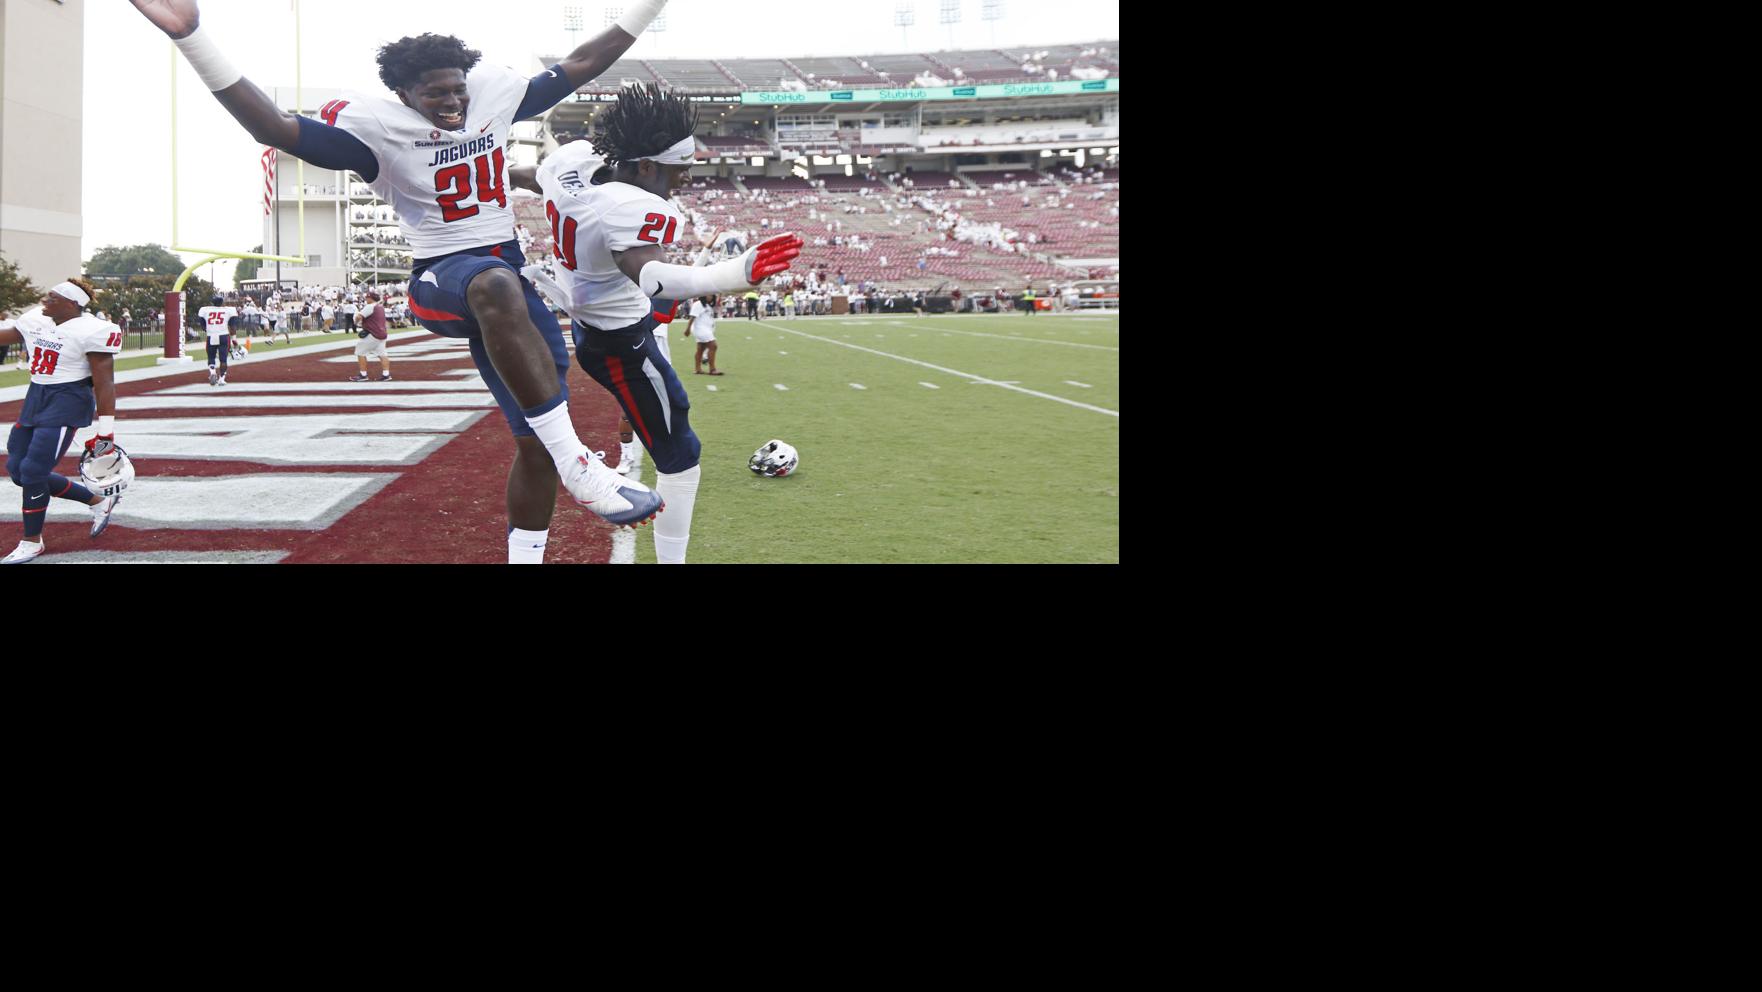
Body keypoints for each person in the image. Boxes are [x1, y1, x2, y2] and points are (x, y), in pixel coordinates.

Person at [131, 0, 671, 557]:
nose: (453, 100)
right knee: (495, 287)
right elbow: (273, 127)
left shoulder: (490, 99)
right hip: (442, 276)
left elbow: (585, 61)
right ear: (404, 96)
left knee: (536, 438)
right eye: (435, 92)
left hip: (505, 277)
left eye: (457, 88)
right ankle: (581, 466)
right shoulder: (379, 132)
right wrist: (193, 38)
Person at [509, 85, 800, 564]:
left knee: (671, 436)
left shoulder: (574, 161)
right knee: (681, 455)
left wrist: (494, 177)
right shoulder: (636, 207)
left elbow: (534, 176)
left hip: (590, 323)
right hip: (621, 343)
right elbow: (650, 275)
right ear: (645, 166)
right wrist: (732, 275)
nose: (681, 181)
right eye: (676, 171)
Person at [0, 279, 127, 563]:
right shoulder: (37, 318)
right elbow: (8, 335)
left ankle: (31, 541)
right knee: (18, 471)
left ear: (72, 304)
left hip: (67, 399)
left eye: (52, 297)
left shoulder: (92, 330)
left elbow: (104, 383)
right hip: (37, 395)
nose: (45, 300)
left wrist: (105, 432)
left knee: (33, 470)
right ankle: (97, 500)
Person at [197, 292, 238, 386]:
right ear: (222, 302)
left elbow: (203, 326)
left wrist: (210, 329)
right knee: (223, 360)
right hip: (224, 336)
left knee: (211, 357)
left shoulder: (205, 310)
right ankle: (222, 379)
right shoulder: (229, 310)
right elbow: (233, 327)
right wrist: (234, 339)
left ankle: (212, 373)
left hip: (211, 336)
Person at [350, 291, 391, 381]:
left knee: (360, 352)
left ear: (370, 298)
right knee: (382, 354)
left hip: (372, 333)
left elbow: (359, 317)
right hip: (382, 333)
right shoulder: (380, 307)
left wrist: (356, 322)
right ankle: (386, 374)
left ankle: (363, 375)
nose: (366, 299)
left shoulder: (370, 306)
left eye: (367, 297)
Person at [686, 294, 722, 376]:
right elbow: (692, 318)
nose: (710, 297)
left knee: (701, 349)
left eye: (712, 296)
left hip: (706, 329)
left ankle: (697, 369)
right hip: (700, 329)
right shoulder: (698, 304)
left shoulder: (707, 305)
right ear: (703, 296)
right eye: (708, 295)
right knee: (713, 346)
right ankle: (712, 369)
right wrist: (687, 329)